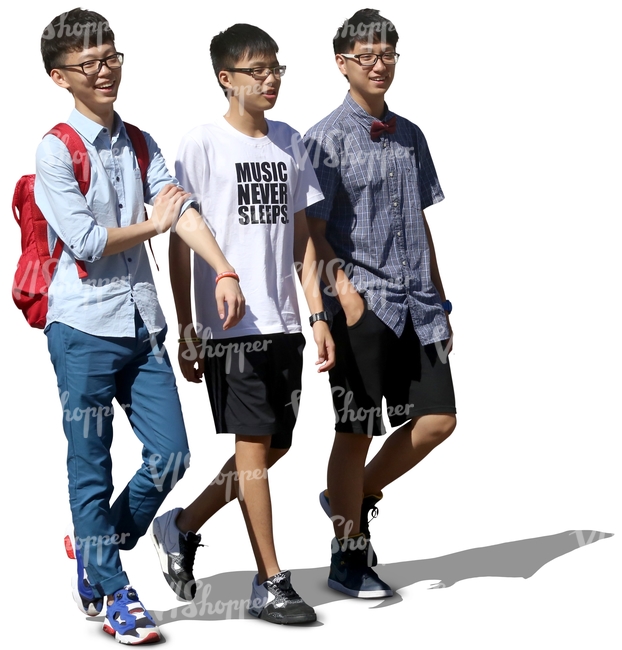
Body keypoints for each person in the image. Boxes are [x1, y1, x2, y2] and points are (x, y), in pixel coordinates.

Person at [37, 8, 244, 644]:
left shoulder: (142, 142)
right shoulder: (55, 149)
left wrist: (223, 270)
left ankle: (97, 549)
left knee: (172, 452)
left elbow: (178, 209)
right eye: (89, 64)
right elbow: (86, 241)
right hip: (82, 328)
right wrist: (152, 224)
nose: (105, 71)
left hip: (141, 322)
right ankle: (116, 591)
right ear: (60, 77)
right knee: (90, 465)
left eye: (112, 57)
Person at [150, 23, 334, 625]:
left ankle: (181, 525)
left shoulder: (290, 142)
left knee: (272, 448)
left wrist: (317, 313)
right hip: (230, 325)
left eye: (277, 67)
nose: (271, 78)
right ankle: (270, 581)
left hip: (285, 321)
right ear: (226, 79)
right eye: (258, 70)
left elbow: (303, 241)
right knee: (252, 448)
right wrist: (187, 325)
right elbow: (182, 241)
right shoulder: (200, 143)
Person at [303, 8, 457, 599]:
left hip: (418, 303)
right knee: (356, 427)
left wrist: (441, 300)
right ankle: (348, 554)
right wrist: (336, 296)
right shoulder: (323, 138)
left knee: (439, 418)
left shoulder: (411, 134)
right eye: (365, 56)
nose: (378, 65)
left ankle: (354, 496)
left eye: (387, 54)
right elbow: (310, 233)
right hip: (360, 304)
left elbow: (418, 219)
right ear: (341, 64)